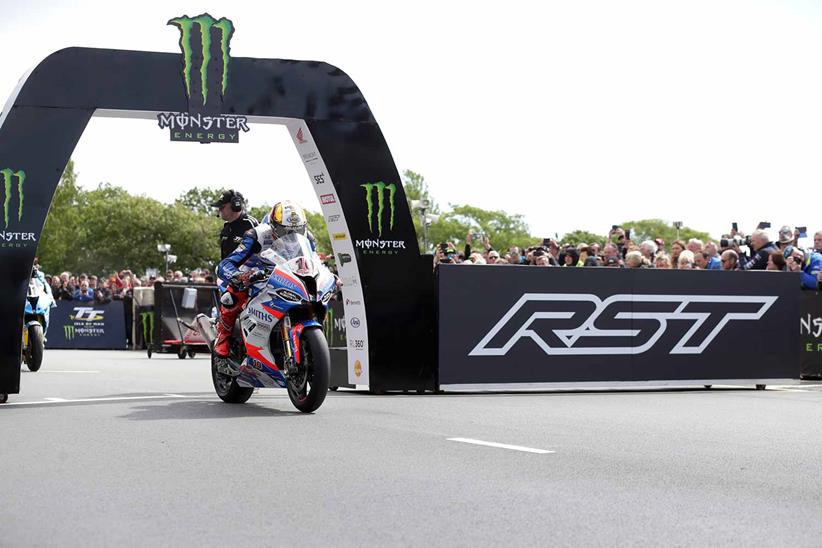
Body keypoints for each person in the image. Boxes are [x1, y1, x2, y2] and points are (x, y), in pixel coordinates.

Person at [213, 200, 329, 372]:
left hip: (286, 276)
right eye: (285, 230)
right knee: (231, 297)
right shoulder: (256, 235)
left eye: (297, 230)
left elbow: (314, 262)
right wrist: (239, 276)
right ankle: (221, 351)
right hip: (253, 274)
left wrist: (329, 276)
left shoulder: (308, 237)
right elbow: (226, 264)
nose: (291, 234)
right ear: (274, 226)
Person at [211, 189, 259, 260]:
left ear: (235, 205)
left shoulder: (251, 224)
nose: (219, 210)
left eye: (222, 207)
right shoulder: (226, 228)